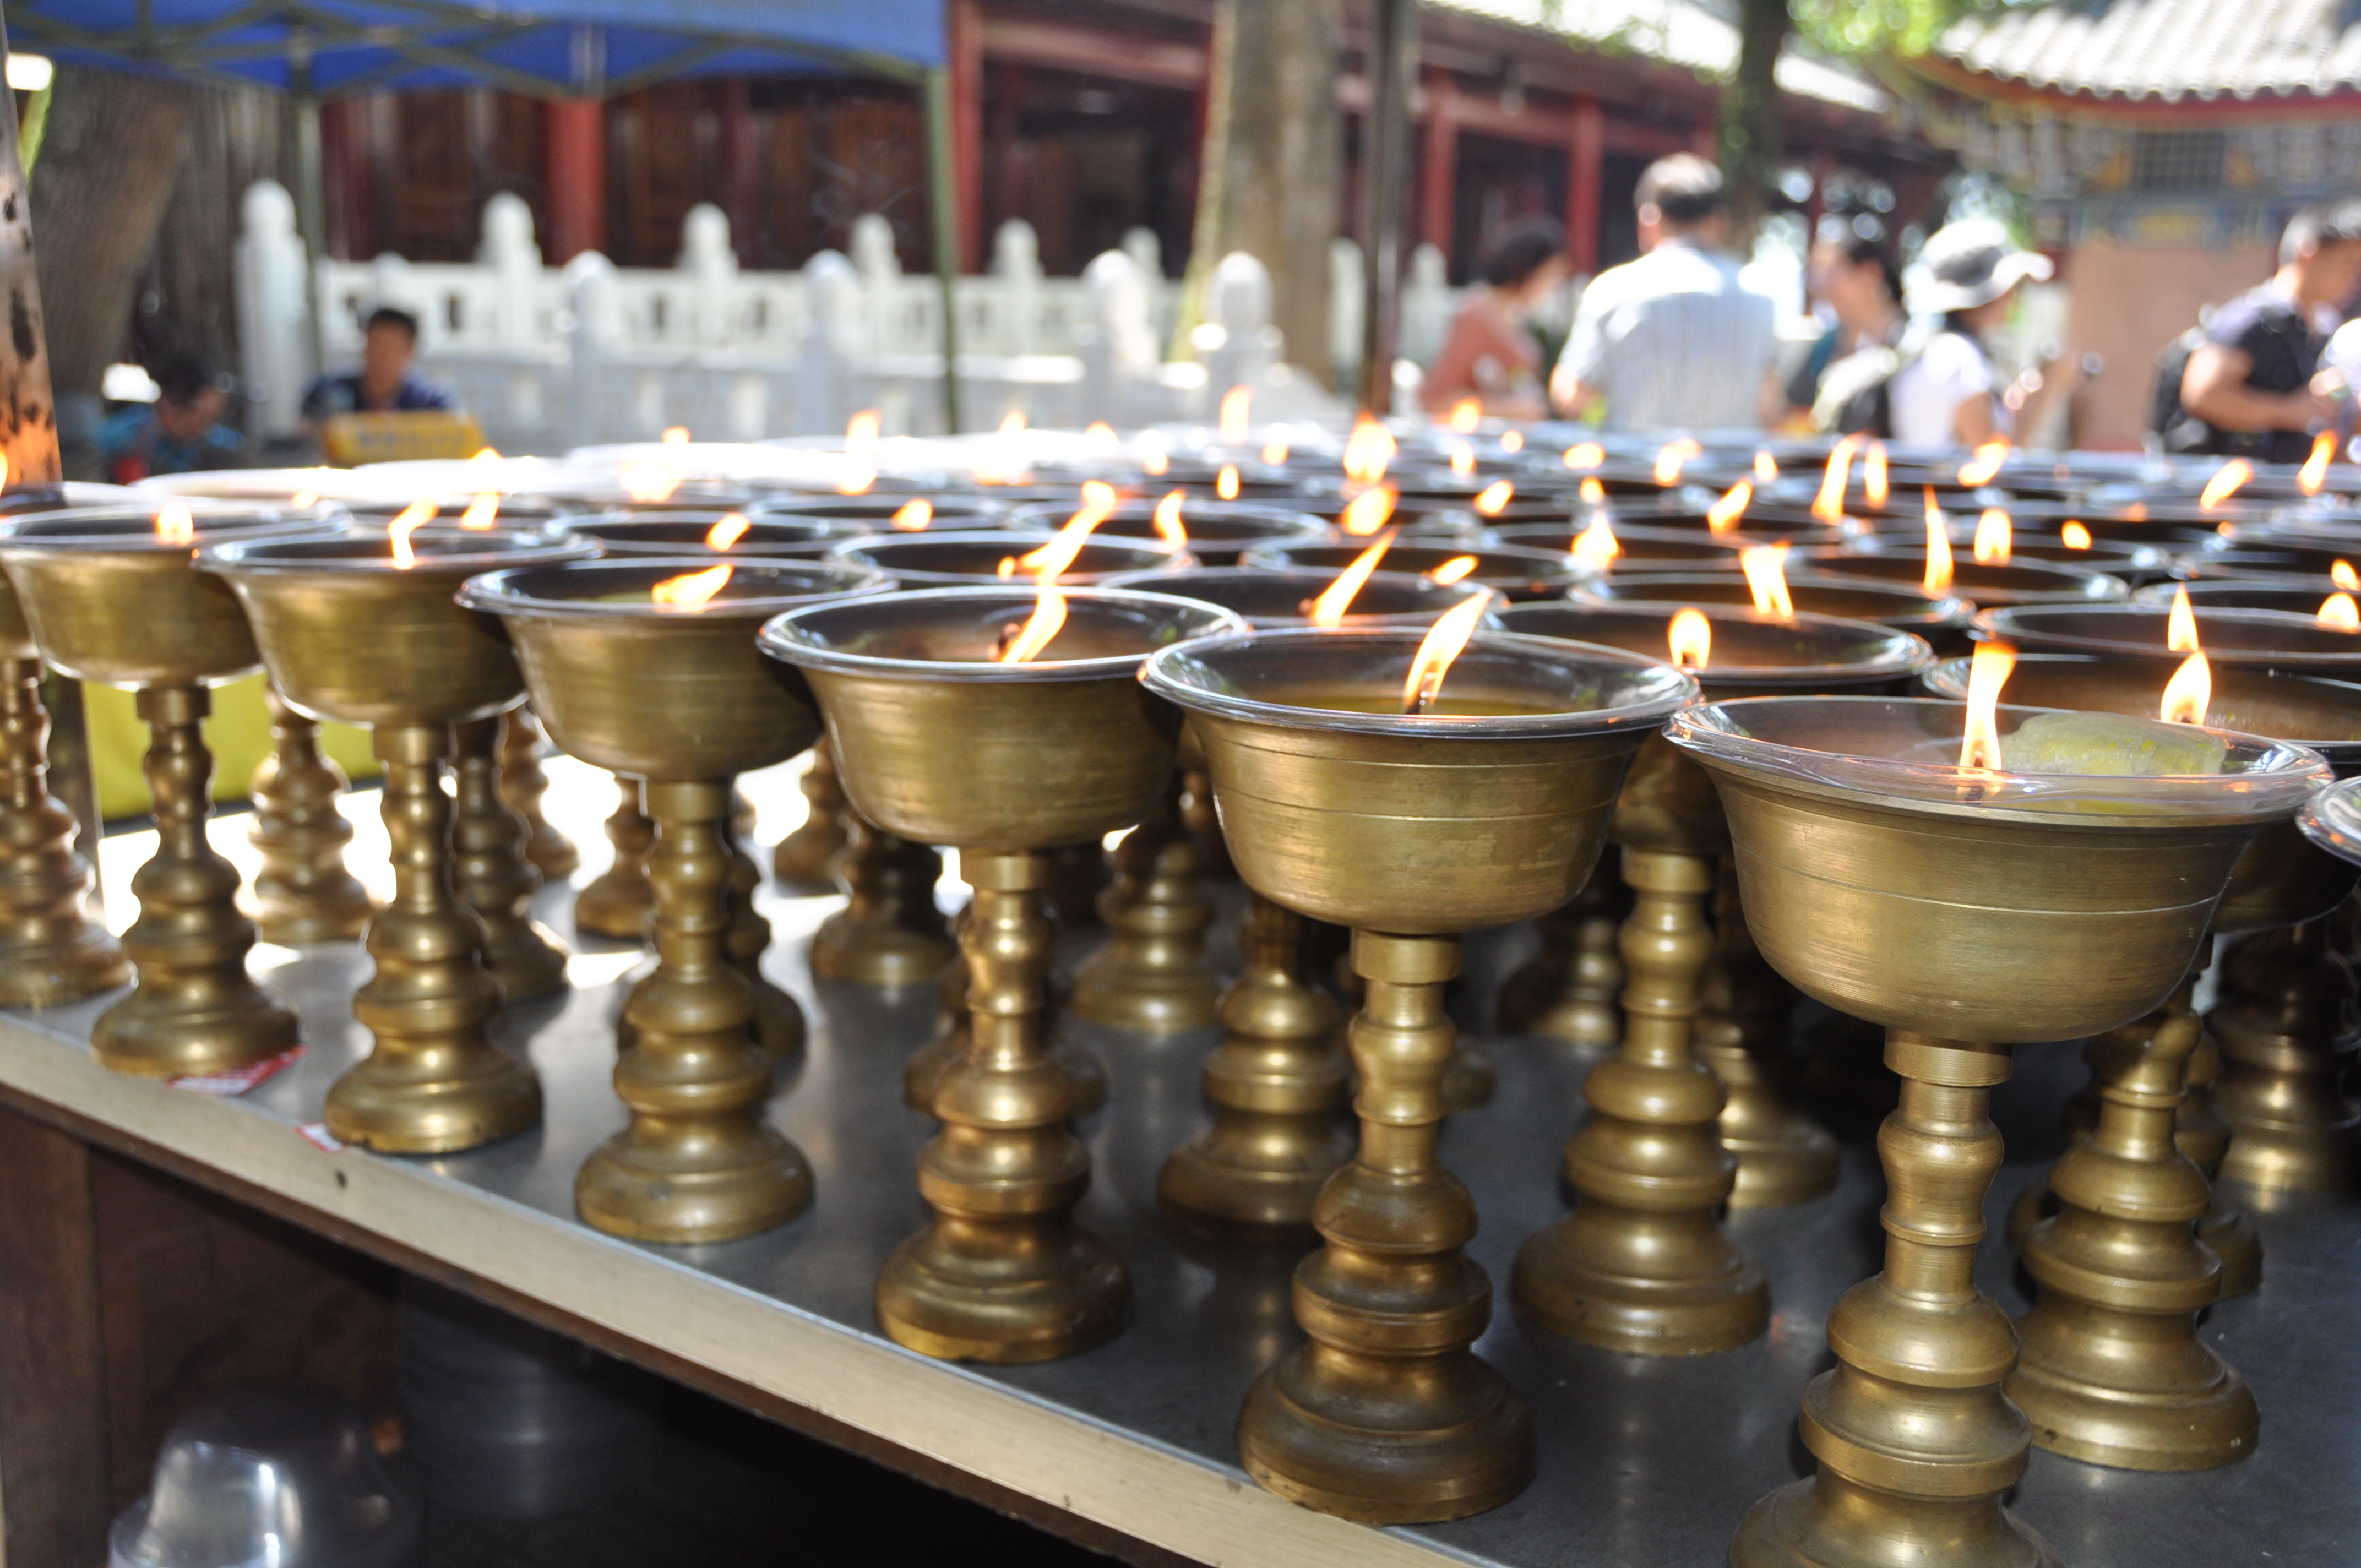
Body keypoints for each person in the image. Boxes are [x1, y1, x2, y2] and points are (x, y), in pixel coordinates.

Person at [1548, 154, 1780, 431]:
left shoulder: (1615, 289)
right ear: (1718, 223)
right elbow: (1770, 405)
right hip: (1733, 471)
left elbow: (1572, 397)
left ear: (1649, 221)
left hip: (1637, 470)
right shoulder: (1759, 295)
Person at [2164, 202, 2361, 464]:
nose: (2353, 279)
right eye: (2348, 265)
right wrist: (2291, 410)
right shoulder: (2251, 320)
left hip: (2284, 489)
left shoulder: (2324, 329)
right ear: (2309, 254)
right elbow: (2204, 394)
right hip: (2227, 489)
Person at [1886, 219, 2056, 449]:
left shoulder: (1932, 348)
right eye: (2009, 289)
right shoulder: (1959, 357)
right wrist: (2048, 393)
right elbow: (1989, 464)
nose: (2012, 299)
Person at [1422, 218, 1572, 420]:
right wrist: (1508, 409)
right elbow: (1435, 399)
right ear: (1529, 269)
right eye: (1550, 278)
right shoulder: (1477, 315)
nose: (1551, 290)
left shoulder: (1513, 316)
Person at [1785, 231, 1904, 423]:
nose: (1823, 287)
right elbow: (1796, 413)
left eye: (1832, 274)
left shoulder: (1913, 342)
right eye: (1817, 276)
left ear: (1870, 272)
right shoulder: (1825, 347)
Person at [97, 353, 243, 482]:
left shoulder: (222, 442)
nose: (207, 429)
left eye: (214, 419)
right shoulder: (121, 439)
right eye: (202, 419)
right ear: (169, 405)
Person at [301, 306, 455, 424]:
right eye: (377, 345)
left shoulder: (430, 402)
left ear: (410, 352)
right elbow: (304, 440)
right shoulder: (329, 391)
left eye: (393, 349)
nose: (382, 357)